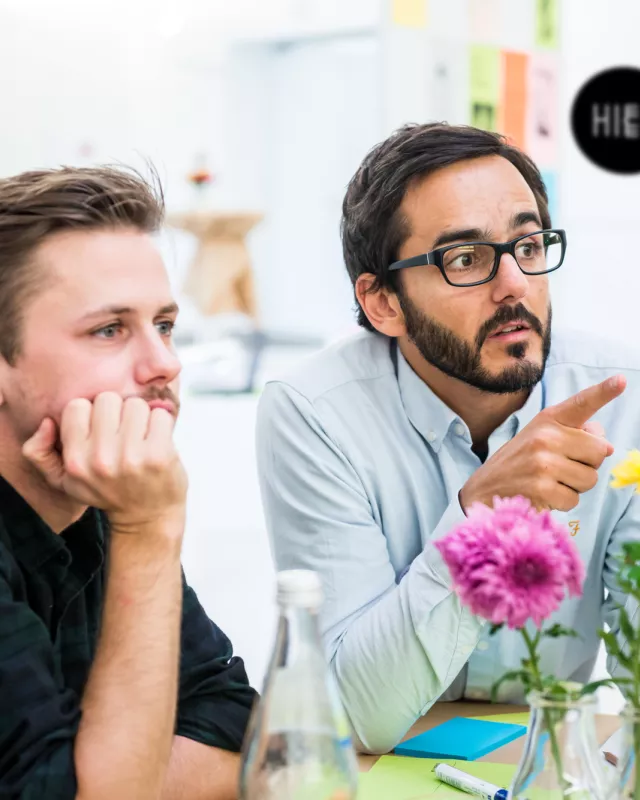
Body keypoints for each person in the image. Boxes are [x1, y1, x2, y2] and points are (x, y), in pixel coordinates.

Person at [256, 123, 640, 754]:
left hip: (543, 761)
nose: (515, 284)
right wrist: (479, 521)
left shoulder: (624, 396)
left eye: (528, 246)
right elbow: (353, 714)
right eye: (465, 259)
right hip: (382, 769)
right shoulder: (316, 413)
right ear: (383, 303)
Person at [0, 166, 256, 798]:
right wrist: (148, 530)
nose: (164, 363)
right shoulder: (137, 513)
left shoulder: (101, 499)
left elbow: (235, 722)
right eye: (109, 330)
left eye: (164, 325)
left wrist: (121, 773)